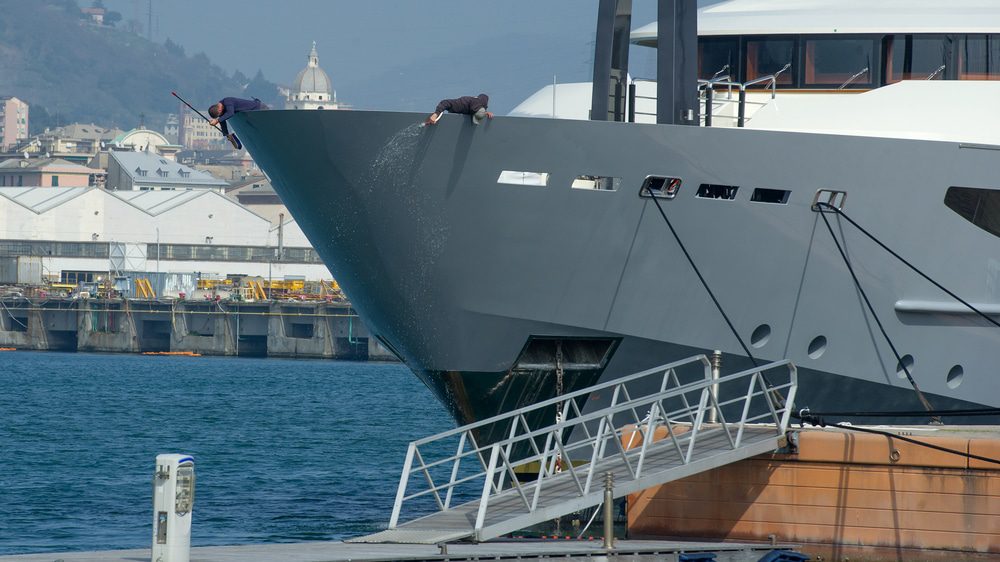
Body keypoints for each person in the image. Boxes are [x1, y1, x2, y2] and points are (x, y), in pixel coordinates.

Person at [425, 94, 494, 126]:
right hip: (462, 106)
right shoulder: (475, 101)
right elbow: (445, 102)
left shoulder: (472, 102)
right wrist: (435, 114)